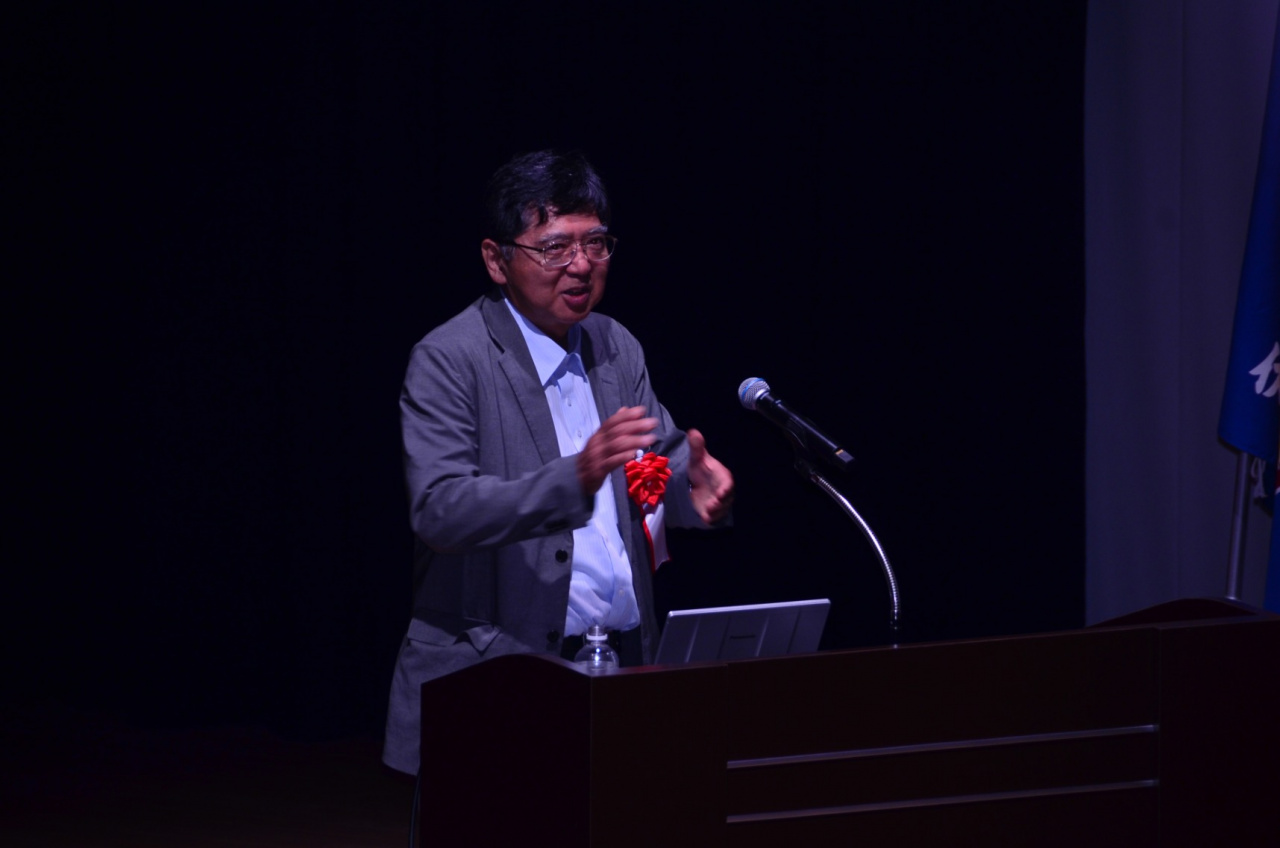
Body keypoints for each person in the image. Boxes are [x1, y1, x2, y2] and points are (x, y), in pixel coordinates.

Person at [382, 150, 734, 775]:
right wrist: (575, 476)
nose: (580, 265)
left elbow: (660, 463)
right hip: (492, 682)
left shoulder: (615, 345)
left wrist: (694, 492)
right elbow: (441, 511)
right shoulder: (450, 358)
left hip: (621, 669)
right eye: (554, 247)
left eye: (595, 243)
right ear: (497, 260)